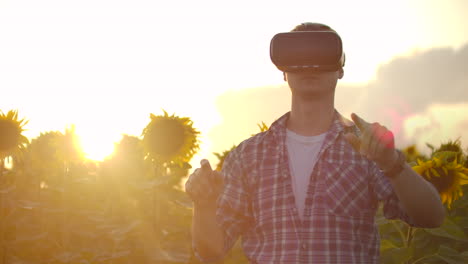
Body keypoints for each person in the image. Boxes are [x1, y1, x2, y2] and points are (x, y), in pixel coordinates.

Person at [185, 22, 445, 263]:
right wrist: (204, 205)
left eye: (321, 58)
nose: (310, 66)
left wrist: (393, 165)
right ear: (283, 72)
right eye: (298, 58)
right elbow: (212, 252)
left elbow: (431, 218)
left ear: (341, 68)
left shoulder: (368, 148)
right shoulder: (248, 155)